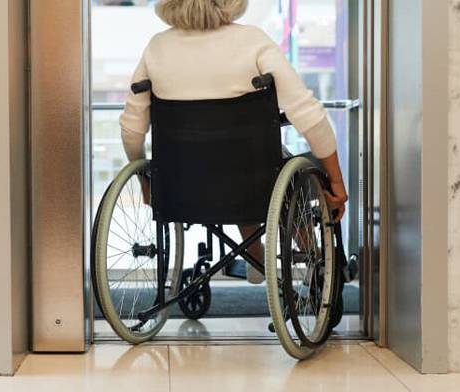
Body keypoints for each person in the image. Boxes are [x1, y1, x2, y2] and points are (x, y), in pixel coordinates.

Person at [119, 0, 348, 283]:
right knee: (281, 169)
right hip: (251, 180)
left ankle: (254, 255)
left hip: (183, 185)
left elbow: (132, 128)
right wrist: (336, 182)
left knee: (239, 167)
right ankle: (313, 258)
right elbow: (309, 116)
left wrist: (145, 179)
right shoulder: (251, 41)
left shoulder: (157, 48)